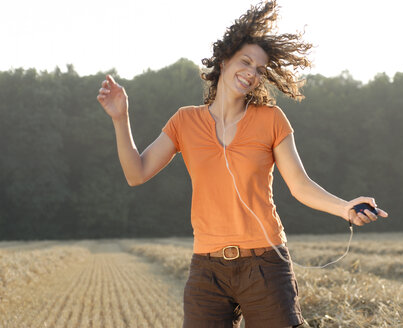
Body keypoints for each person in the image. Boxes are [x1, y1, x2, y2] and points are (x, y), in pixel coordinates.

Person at [97, 1, 388, 327]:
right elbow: (136, 173)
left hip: (264, 264)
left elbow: (300, 184)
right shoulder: (185, 121)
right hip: (207, 269)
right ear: (224, 61)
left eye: (259, 69)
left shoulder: (271, 120)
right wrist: (121, 118)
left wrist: (345, 208)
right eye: (245, 62)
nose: (251, 73)